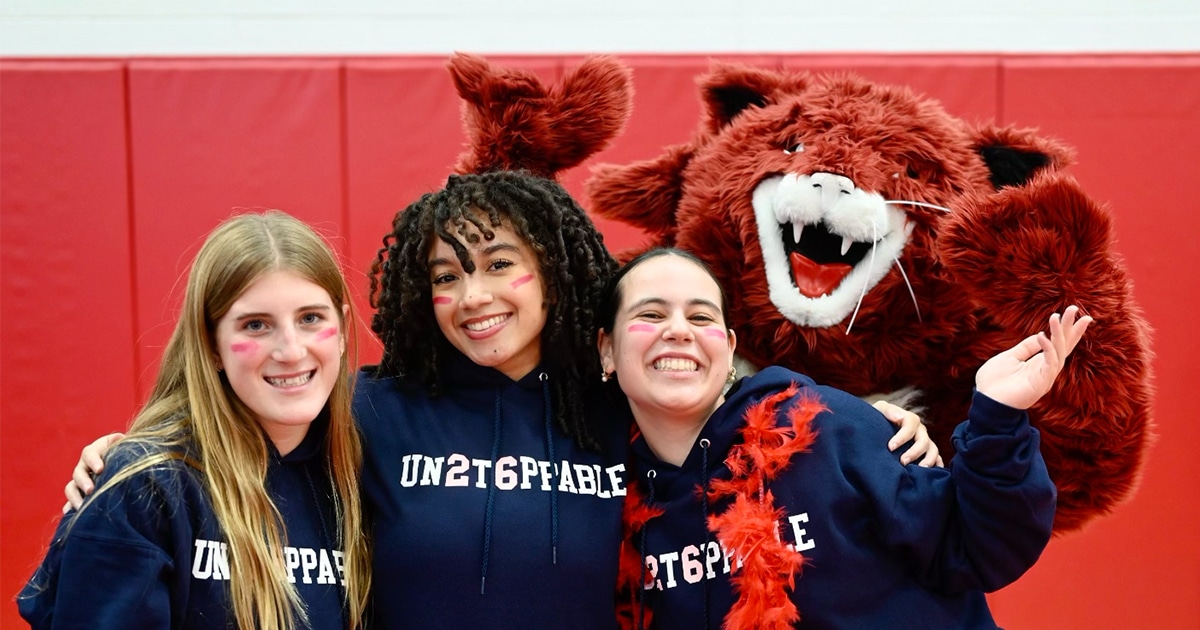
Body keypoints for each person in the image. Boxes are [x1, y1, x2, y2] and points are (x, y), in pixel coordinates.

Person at [62, 172, 937, 629]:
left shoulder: (619, 405)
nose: (474, 294)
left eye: (499, 264)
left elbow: (735, 409)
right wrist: (131, 452)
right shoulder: (369, 411)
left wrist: (868, 418)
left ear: (552, 272)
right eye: (447, 275)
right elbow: (247, 416)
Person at [598, 247, 1091, 630]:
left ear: (728, 349)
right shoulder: (609, 504)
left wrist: (998, 418)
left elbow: (980, 547)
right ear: (607, 350)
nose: (679, 331)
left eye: (701, 316)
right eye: (652, 314)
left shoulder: (828, 429)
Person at [20, 211, 371, 629]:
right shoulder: (146, 487)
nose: (291, 351)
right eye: (256, 325)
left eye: (310, 318)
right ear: (211, 346)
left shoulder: (362, 471)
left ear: (344, 326)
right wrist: (129, 465)